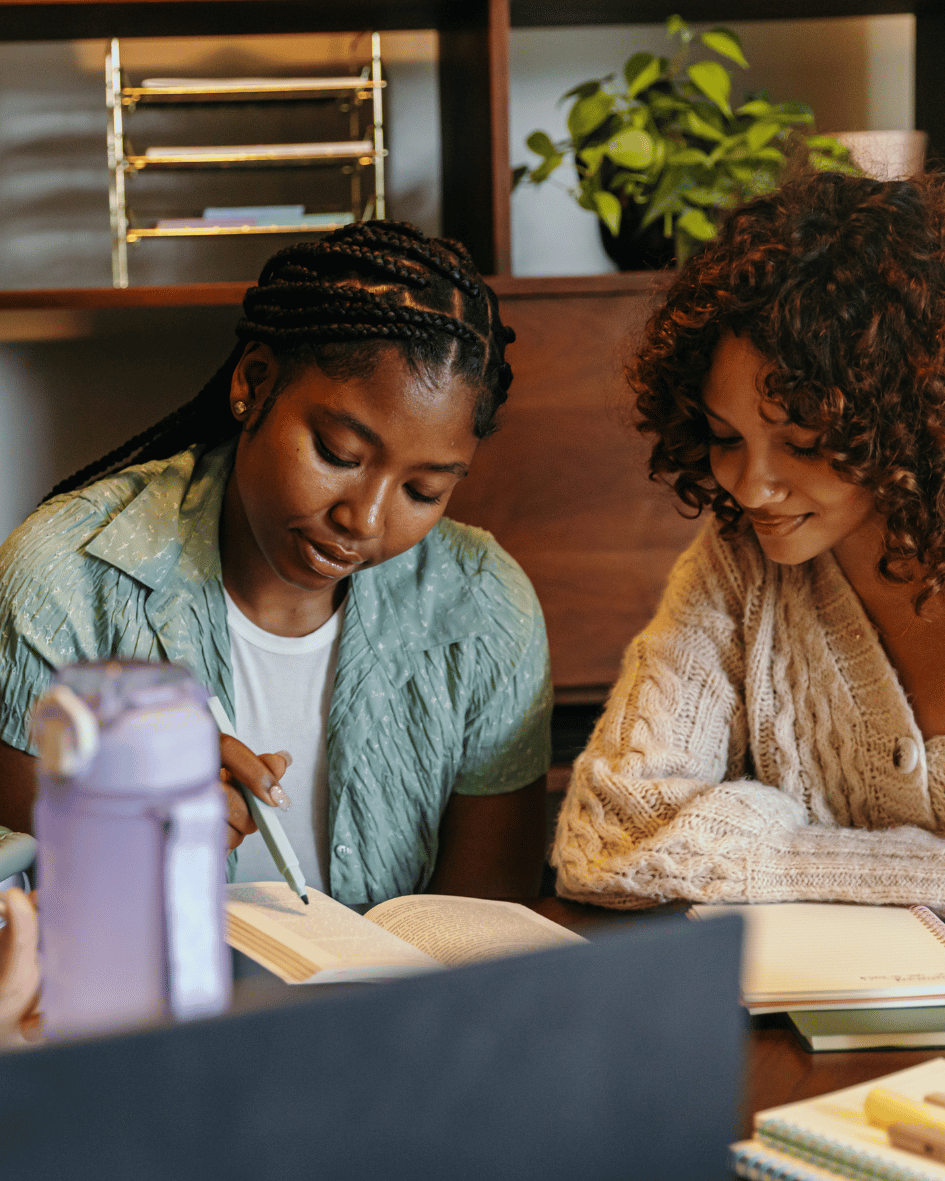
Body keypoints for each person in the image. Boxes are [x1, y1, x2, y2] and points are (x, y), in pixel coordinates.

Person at [0, 221, 552, 906]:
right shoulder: (69, 575)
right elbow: (22, 914)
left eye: (423, 490)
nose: (366, 519)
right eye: (338, 455)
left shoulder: (482, 606)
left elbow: (484, 926)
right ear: (254, 382)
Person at [552, 171, 945, 909]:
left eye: (799, 442)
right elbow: (604, 840)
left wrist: (740, 827)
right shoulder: (740, 562)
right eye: (724, 436)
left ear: (898, 418)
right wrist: (920, 873)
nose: (750, 486)